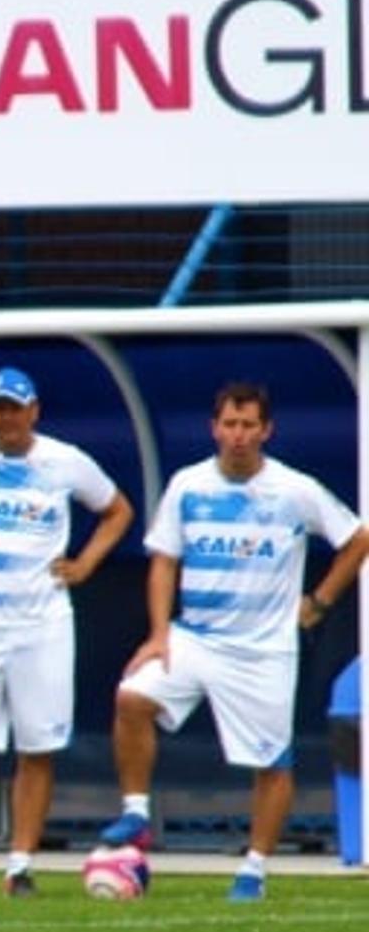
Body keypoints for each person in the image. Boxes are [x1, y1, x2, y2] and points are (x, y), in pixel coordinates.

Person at [100, 382, 367, 901]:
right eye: (230, 424)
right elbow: (164, 561)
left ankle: (255, 868)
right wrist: (158, 634)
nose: (238, 435)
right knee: (132, 697)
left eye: (248, 425)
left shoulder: (293, 489)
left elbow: (356, 538)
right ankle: (136, 815)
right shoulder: (188, 485)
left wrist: (318, 602)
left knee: (271, 763)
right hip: (195, 637)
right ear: (214, 428)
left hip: (263, 648)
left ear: (266, 430)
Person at [0, 367, 134, 896]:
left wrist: (85, 564)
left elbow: (117, 510)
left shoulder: (64, 461)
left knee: (38, 745)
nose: (7, 419)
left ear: (33, 411)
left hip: (42, 621)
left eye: (15, 408)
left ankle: (20, 864)